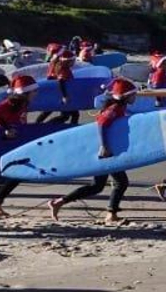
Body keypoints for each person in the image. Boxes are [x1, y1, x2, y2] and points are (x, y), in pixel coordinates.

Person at [49, 78, 136, 226]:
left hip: (109, 150)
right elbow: (102, 124)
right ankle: (111, 214)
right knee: (121, 182)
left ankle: (59, 202)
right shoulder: (114, 108)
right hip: (107, 152)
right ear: (125, 96)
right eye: (133, 94)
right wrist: (105, 146)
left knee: (97, 186)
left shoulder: (118, 108)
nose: (135, 97)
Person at [0, 75, 39, 216]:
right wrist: (6, 128)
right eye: (34, 91)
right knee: (15, 174)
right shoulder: (11, 102)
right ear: (26, 92)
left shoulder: (23, 103)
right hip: (4, 142)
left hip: (14, 142)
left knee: (6, 175)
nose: (36, 93)